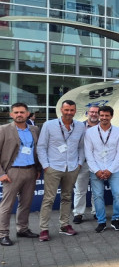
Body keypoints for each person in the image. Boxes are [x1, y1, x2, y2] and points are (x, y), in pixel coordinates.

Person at [36, 100, 85, 242]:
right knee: (48, 199)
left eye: (71, 110)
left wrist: (79, 163)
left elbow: (81, 147)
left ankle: (64, 225)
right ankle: (44, 229)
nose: (69, 113)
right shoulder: (49, 125)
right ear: (61, 110)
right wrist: (46, 165)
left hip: (72, 167)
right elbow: (41, 147)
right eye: (66, 110)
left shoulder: (80, 126)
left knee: (67, 197)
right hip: (54, 167)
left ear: (75, 111)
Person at [0, 103, 41, 246]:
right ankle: (3, 234)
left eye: (22, 112)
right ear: (11, 114)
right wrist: (1, 173)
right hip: (12, 172)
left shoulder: (34, 129)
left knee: (25, 203)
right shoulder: (3, 130)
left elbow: (37, 150)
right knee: (7, 206)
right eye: (16, 112)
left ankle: (22, 229)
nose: (19, 115)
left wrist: (38, 169)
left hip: (30, 171)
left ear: (27, 114)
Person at [85, 106, 119, 232]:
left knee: (118, 195)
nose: (104, 118)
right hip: (95, 169)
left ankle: (115, 220)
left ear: (111, 116)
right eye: (101, 115)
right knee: (98, 196)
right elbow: (88, 153)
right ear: (98, 115)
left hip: (113, 169)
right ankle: (101, 221)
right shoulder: (90, 132)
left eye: (106, 115)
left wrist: (110, 170)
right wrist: (97, 170)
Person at [72, 105, 99, 223]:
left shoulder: (102, 127)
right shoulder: (79, 127)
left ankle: (97, 212)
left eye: (96, 112)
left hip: (98, 164)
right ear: (87, 113)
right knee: (79, 190)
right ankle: (78, 213)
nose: (93, 114)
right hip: (82, 163)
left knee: (97, 190)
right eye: (91, 112)